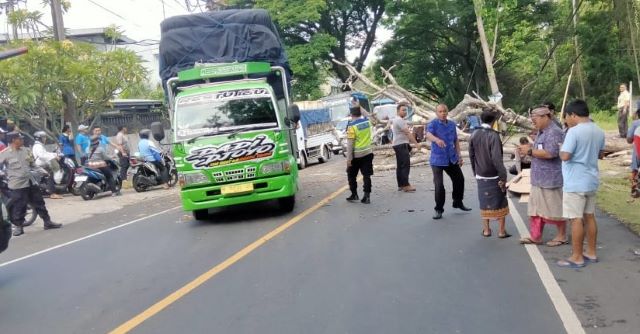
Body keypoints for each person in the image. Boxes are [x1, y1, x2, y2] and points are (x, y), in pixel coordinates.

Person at [557, 99, 605, 268]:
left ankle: (576, 256)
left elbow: (565, 156)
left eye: (567, 117)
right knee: (589, 216)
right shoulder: (599, 130)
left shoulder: (574, 132)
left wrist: (561, 148)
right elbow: (601, 154)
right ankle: (591, 252)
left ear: (573, 115)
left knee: (575, 219)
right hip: (591, 179)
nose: (566, 120)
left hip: (575, 181)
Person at [518, 106, 567, 247]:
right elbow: (539, 150)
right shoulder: (541, 131)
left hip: (551, 178)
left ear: (546, 117)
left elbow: (551, 153)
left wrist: (529, 151)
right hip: (538, 177)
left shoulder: (554, 132)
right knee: (535, 209)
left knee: (555, 208)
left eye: (535, 120)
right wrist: (528, 150)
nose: (533, 123)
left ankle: (562, 236)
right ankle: (536, 236)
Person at [0, 132, 62, 236]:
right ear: (13, 140)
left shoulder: (26, 150)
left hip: (30, 181)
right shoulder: (5, 153)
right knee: (20, 206)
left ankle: (47, 222)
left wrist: (43, 171)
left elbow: (33, 165)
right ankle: (19, 227)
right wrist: (3, 174)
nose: (22, 140)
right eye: (19, 139)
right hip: (17, 184)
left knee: (39, 202)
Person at [469, 108, 511, 238]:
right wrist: (503, 175)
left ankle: (486, 230)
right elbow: (496, 158)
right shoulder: (493, 135)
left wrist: (475, 171)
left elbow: (471, 156)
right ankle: (501, 231)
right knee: (500, 201)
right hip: (494, 174)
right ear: (494, 121)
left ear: (481, 119)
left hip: (481, 173)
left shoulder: (474, 134)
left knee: (484, 201)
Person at [425, 104, 471, 220]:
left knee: (459, 179)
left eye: (444, 111)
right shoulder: (433, 124)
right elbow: (428, 135)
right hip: (437, 160)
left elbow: (455, 141)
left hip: (451, 157)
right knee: (439, 185)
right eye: (440, 111)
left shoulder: (451, 124)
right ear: (437, 113)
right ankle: (438, 209)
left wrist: (459, 156)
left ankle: (457, 202)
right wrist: (437, 140)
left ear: (447, 112)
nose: (443, 113)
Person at [345, 105, 374, 204]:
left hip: (356, 156)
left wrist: (349, 159)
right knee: (367, 175)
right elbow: (368, 115)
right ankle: (367, 196)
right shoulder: (367, 121)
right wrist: (360, 106)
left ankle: (354, 194)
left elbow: (350, 144)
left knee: (351, 175)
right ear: (360, 113)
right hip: (368, 153)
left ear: (351, 114)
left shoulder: (351, 126)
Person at [392, 104, 419, 192]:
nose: (405, 112)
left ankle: (401, 184)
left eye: (406, 110)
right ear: (398, 111)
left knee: (400, 165)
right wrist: (416, 144)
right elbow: (407, 133)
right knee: (405, 165)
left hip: (399, 144)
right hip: (401, 144)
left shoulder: (398, 120)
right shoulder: (399, 120)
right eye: (403, 110)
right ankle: (406, 185)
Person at [32, 131, 64, 199]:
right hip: (40, 164)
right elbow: (42, 155)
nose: (45, 138)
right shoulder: (37, 146)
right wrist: (54, 156)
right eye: (43, 137)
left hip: (42, 163)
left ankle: (51, 189)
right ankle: (52, 193)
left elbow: (46, 153)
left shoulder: (39, 145)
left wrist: (55, 154)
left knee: (51, 172)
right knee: (50, 175)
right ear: (39, 138)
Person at [626, 109, 640, 197]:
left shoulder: (635, 123)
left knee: (635, 169)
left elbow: (629, 139)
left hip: (637, 152)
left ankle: (634, 191)